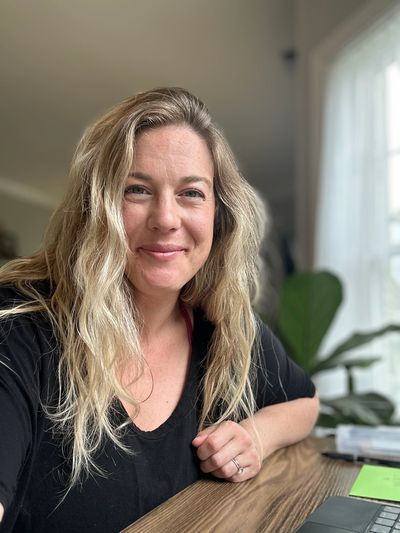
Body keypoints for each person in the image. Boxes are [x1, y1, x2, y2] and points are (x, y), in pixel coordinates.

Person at [0, 87, 319, 532]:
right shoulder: (19, 325)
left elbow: (305, 402)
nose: (166, 219)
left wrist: (255, 436)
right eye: (137, 189)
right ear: (96, 207)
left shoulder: (225, 326)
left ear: (219, 214)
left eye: (191, 192)